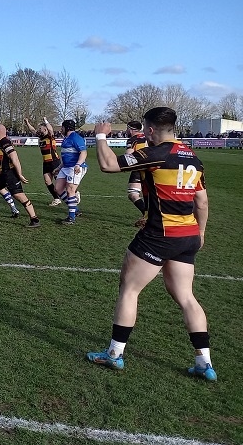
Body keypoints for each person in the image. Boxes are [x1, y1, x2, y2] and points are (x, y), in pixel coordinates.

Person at [86, 107, 215, 381]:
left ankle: (114, 355)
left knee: (129, 289)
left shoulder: (156, 154)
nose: (144, 133)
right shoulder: (194, 158)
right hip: (188, 235)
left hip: (159, 235)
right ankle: (204, 362)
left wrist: (100, 137)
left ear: (151, 130)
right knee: (186, 296)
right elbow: (201, 201)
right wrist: (200, 233)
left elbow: (109, 165)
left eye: (145, 129)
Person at [0, 125, 40, 227]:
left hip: (9, 174)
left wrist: (19, 174)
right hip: (3, 174)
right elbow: (3, 160)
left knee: (19, 195)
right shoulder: (1, 143)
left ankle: (35, 219)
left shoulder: (4, 142)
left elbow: (14, 158)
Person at [54, 119, 87, 225]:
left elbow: (83, 152)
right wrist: (59, 167)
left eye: (62, 127)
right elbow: (65, 155)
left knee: (70, 191)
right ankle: (75, 208)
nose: (61, 129)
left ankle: (71, 217)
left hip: (75, 168)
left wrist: (78, 164)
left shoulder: (76, 138)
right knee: (58, 189)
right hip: (65, 167)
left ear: (67, 127)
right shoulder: (66, 139)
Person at [24, 117, 63, 206]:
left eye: (40, 128)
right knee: (47, 181)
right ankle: (56, 199)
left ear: (45, 129)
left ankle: (74, 192)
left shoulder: (50, 136)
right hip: (46, 163)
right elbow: (33, 130)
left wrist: (45, 120)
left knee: (60, 182)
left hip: (54, 161)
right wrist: (27, 123)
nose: (39, 130)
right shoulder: (40, 136)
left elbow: (50, 128)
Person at [124, 121, 149, 227]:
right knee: (149, 194)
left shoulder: (133, 140)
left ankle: (148, 216)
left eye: (127, 128)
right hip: (154, 167)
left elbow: (128, 156)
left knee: (133, 194)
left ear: (131, 129)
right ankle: (148, 216)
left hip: (139, 168)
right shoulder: (148, 137)